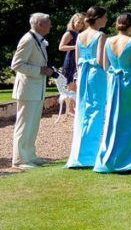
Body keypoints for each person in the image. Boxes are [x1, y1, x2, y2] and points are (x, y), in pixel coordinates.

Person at [93, 12, 131, 173]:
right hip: (129, 82)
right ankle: (129, 159)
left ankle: (111, 157)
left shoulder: (108, 40)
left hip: (113, 82)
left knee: (113, 119)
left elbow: (103, 65)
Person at [66, 6, 109, 168]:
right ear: (97, 18)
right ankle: (89, 155)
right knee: (96, 111)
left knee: (83, 110)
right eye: (104, 17)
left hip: (83, 74)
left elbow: (78, 61)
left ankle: (80, 152)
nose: (106, 19)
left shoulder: (80, 35)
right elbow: (100, 61)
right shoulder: (100, 35)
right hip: (95, 75)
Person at [10, 13, 54, 169]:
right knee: (24, 123)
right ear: (39, 24)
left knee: (33, 124)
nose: (50, 25)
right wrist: (40, 70)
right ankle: (20, 159)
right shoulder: (28, 40)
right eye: (48, 23)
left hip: (36, 89)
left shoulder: (38, 40)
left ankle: (30, 155)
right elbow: (16, 65)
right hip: (27, 89)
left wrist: (44, 70)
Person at [57, 12, 84, 115]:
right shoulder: (69, 33)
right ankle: (70, 109)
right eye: (78, 22)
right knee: (71, 84)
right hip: (70, 60)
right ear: (73, 22)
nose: (79, 25)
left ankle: (72, 108)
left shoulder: (79, 34)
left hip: (77, 60)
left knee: (75, 85)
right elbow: (61, 47)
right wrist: (75, 47)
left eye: (81, 23)